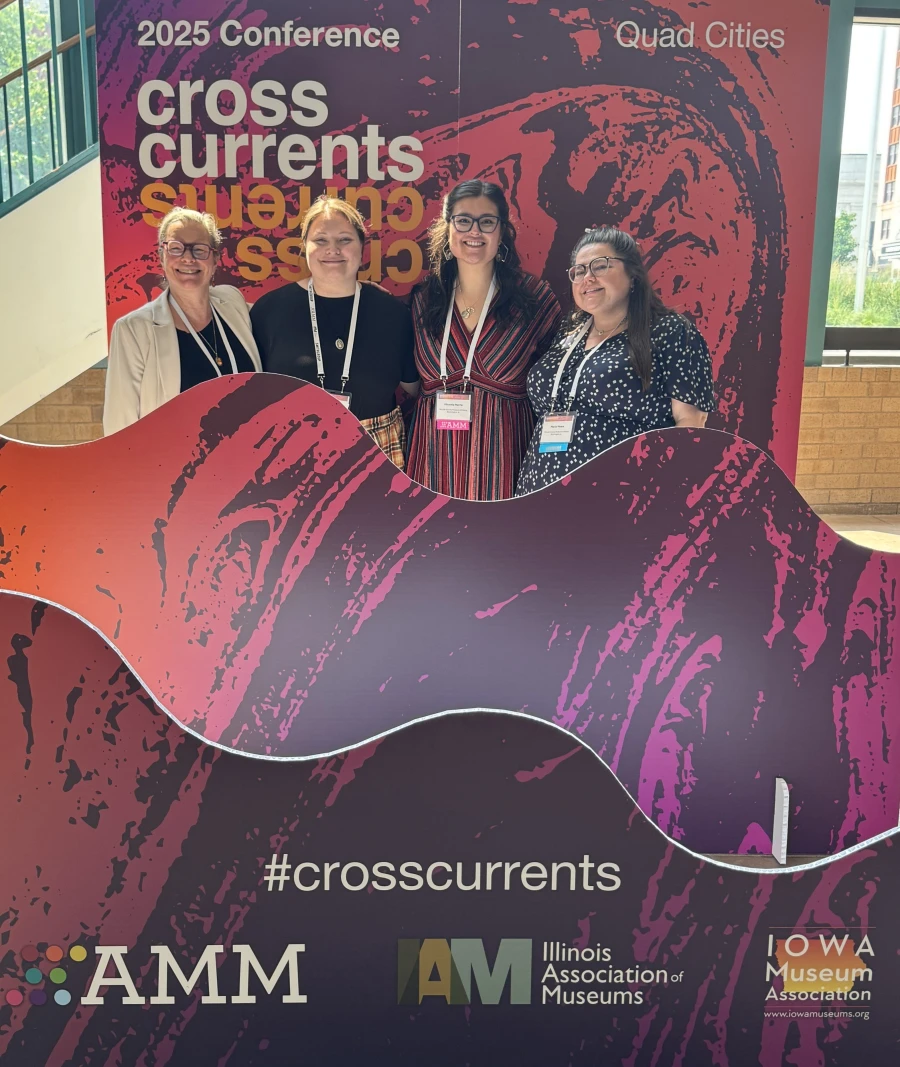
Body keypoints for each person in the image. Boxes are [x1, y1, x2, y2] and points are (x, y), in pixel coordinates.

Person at [515, 226, 714, 496]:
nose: (588, 277)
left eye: (600, 266)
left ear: (633, 275)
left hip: (624, 498)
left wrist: (664, 498)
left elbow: (691, 425)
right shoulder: (568, 332)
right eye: (580, 270)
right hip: (540, 493)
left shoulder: (671, 331)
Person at [406, 180, 561, 500]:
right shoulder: (422, 300)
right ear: (447, 228)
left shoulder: (535, 299)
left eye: (487, 222)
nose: (474, 232)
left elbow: (556, 388)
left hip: (505, 466)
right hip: (431, 467)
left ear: (502, 231)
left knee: (500, 549)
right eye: (463, 220)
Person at [251, 196, 418, 469]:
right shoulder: (269, 311)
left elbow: (417, 387)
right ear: (304, 246)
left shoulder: (392, 313)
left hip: (378, 452)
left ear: (362, 248)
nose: (333, 250)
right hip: (290, 454)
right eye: (320, 240)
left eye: (344, 240)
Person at [103, 208, 260, 435]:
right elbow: (120, 427)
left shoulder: (232, 302)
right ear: (161, 256)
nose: (188, 258)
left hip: (248, 461)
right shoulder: (134, 330)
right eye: (175, 248)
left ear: (215, 259)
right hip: (178, 468)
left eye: (199, 249)